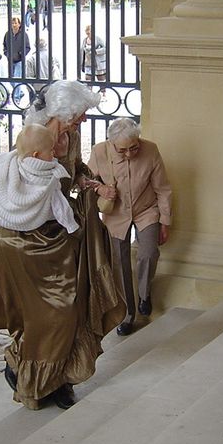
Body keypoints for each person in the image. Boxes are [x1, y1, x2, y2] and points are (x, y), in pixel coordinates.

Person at [0, 82, 125, 409]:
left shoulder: (71, 136)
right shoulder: (36, 135)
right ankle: (26, 371)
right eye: (80, 114)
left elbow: (74, 170)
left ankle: (59, 377)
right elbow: (13, 178)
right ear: (63, 113)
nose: (83, 120)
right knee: (42, 316)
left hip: (58, 239)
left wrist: (89, 182)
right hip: (24, 241)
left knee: (68, 309)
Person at [88, 119, 172, 336]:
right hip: (116, 214)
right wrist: (101, 190)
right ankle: (127, 315)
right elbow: (85, 180)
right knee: (120, 264)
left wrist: (165, 221)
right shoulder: (99, 152)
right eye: (122, 150)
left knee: (149, 253)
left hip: (146, 210)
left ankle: (145, 293)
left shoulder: (151, 149)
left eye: (133, 148)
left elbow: (162, 188)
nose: (129, 154)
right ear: (111, 143)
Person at [2, 15, 31, 80]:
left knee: (17, 80)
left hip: (19, 61)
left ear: (19, 24)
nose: (14, 25)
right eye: (12, 23)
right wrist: (7, 53)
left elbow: (27, 47)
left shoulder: (24, 34)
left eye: (15, 23)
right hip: (10, 61)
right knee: (11, 79)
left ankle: (17, 90)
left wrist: (21, 54)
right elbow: (4, 45)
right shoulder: (7, 34)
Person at [81, 24, 107, 89]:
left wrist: (96, 51)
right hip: (88, 64)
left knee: (101, 79)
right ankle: (90, 95)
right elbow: (82, 51)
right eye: (87, 30)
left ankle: (103, 95)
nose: (88, 32)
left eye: (89, 30)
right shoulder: (85, 40)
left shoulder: (98, 39)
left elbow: (105, 49)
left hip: (97, 64)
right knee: (88, 80)